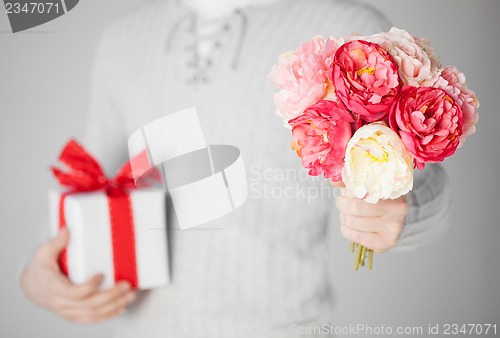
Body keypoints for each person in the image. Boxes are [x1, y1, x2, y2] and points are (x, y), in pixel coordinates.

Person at [20, 0, 452, 337]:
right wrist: (43, 273)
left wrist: (401, 210)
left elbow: (427, 186)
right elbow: (90, 183)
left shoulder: (348, 28)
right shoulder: (123, 37)